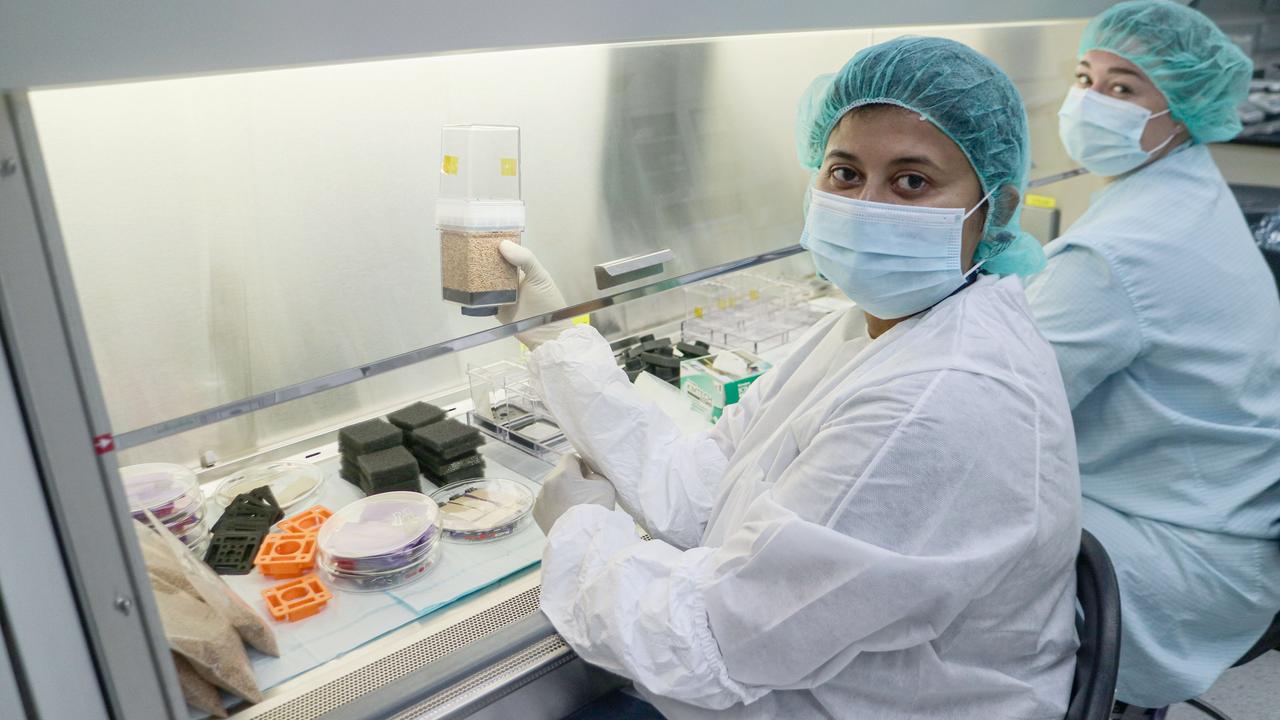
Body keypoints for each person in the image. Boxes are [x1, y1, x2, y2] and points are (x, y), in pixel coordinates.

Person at [504, 37, 1081, 719]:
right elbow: (705, 486)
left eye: (912, 181)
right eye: (844, 173)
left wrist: (581, 534)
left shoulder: (941, 397)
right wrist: (561, 341)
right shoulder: (873, 326)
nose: (868, 205)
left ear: (996, 208)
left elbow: (707, 647)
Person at [1025, 1, 1280, 715]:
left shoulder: (1120, 251)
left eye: (1123, 87)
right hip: (1229, 521)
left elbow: (1002, 404)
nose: (1088, 102)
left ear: (1184, 110)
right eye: (1085, 76)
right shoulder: (1185, 191)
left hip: (1175, 561)